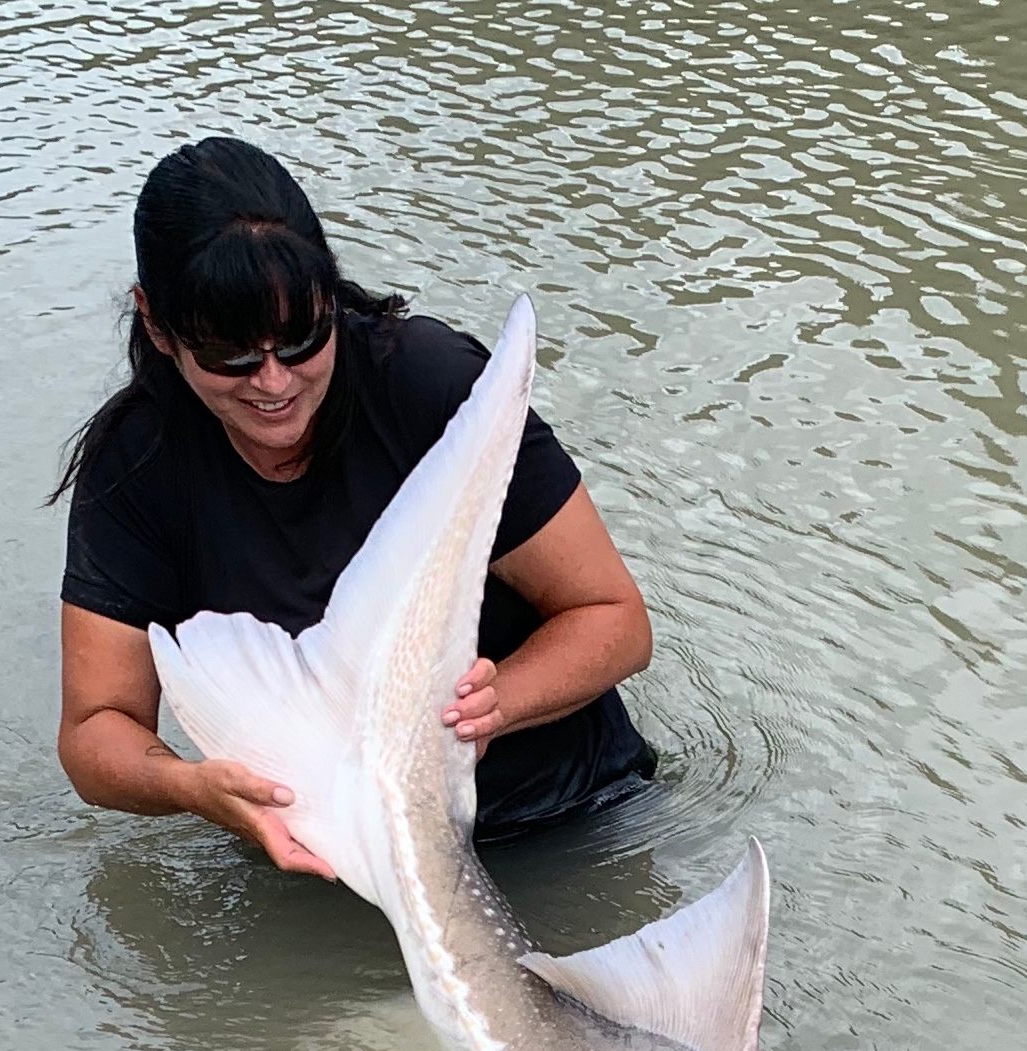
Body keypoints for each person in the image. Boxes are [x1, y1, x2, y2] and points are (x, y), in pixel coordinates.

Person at [57, 138, 655, 875]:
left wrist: (495, 707)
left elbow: (616, 620)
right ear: (156, 326)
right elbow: (94, 730)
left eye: (304, 336)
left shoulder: (429, 389)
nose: (272, 383)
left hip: (560, 820)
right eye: (228, 355)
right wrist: (189, 788)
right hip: (320, 858)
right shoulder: (137, 464)